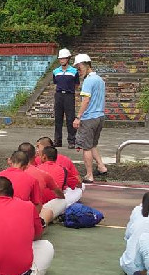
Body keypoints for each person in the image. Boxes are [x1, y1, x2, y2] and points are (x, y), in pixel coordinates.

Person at [72, 53, 108, 182]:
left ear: (86, 65)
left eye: (79, 67)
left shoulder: (88, 81)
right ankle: (101, 167)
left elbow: (86, 100)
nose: (79, 71)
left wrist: (78, 117)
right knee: (92, 144)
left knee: (86, 147)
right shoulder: (100, 80)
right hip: (100, 116)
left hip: (89, 118)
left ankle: (89, 175)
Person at [37, 143, 82, 208]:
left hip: (37, 203)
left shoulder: (35, 169)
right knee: (79, 189)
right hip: (54, 204)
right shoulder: (63, 169)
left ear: (44, 156)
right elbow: (78, 184)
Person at [51, 48, 79, 148]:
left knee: (70, 118)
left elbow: (76, 84)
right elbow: (55, 83)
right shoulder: (55, 71)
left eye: (63, 58)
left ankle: (71, 141)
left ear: (68, 59)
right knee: (58, 118)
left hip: (69, 95)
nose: (62, 60)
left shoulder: (74, 71)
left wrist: (69, 91)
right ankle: (57, 140)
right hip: (59, 95)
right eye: (60, 59)